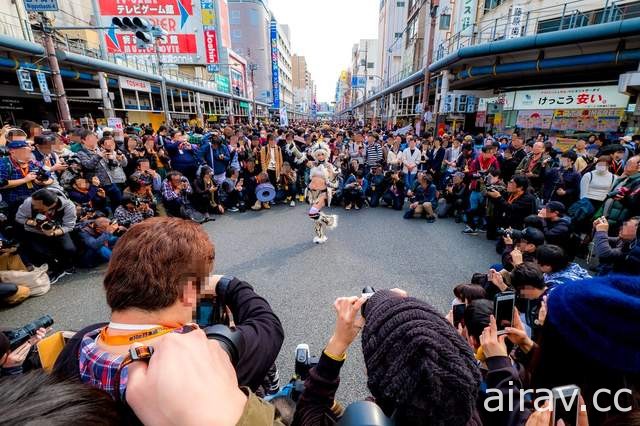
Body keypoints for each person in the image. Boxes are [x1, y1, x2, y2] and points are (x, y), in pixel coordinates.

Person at [53, 217, 284, 403]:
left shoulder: (82, 340)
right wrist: (231, 285)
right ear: (189, 292)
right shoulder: (198, 357)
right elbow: (267, 326)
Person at [293, 290, 483, 425]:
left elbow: (309, 415)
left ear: (373, 375)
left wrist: (338, 342)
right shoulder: (467, 411)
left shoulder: (372, 412)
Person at [15, 188, 77, 283]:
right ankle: (55, 269)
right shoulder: (29, 202)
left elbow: (69, 226)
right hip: (34, 231)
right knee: (40, 251)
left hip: (57, 230)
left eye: (37, 207)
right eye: (33, 204)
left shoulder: (68, 206)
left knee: (69, 248)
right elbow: (19, 217)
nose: (34, 207)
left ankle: (67, 265)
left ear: (50, 205)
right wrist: (32, 223)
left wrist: (53, 233)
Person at [0, 139, 53, 218]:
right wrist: (25, 180)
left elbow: (51, 178)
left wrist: (42, 182)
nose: (28, 153)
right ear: (12, 152)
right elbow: (1, 184)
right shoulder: (4, 164)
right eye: (24, 151)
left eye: (29, 151)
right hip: (15, 201)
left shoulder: (34, 163)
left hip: (37, 198)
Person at [76, 130, 123, 208]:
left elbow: (111, 166)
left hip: (110, 181)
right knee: (105, 207)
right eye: (91, 138)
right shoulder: (81, 153)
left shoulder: (99, 149)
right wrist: (99, 156)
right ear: (83, 140)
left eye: (95, 137)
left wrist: (111, 160)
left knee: (118, 202)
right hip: (98, 185)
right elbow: (88, 165)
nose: (94, 139)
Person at [306, 142, 339, 244]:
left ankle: (329, 220)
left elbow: (335, 183)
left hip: (322, 193)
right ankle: (320, 236)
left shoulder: (329, 166)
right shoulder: (313, 164)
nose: (320, 157)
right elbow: (301, 158)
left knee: (312, 213)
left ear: (326, 154)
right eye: (318, 155)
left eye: (322, 154)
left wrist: (331, 178)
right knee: (316, 217)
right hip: (312, 193)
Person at [601, 155, 640, 235]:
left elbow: (636, 204)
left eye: (629, 163)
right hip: (608, 218)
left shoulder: (637, 182)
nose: (625, 165)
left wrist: (625, 199)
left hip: (619, 223)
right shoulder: (625, 178)